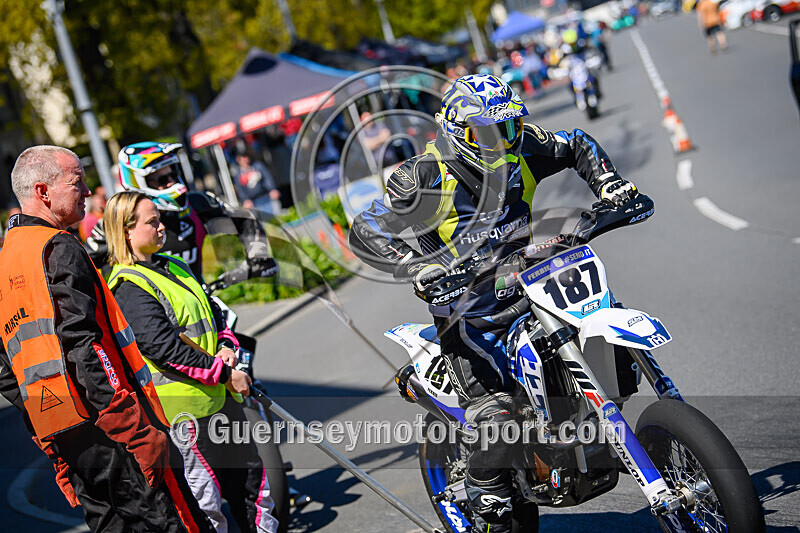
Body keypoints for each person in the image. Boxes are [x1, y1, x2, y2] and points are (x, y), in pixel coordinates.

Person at [348, 75, 640, 533]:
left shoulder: (524, 145)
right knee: (498, 421)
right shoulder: (424, 176)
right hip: (470, 318)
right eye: (487, 133)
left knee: (608, 341)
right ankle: (488, 503)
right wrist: (412, 265)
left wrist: (610, 185)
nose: (502, 142)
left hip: (534, 287)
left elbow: (576, 144)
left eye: (508, 128)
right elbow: (366, 227)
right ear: (457, 133)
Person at [0, 145, 214, 532]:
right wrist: (135, 430)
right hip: (113, 431)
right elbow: (85, 347)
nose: (87, 191)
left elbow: (7, 369)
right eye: (77, 182)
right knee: (172, 521)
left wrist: (50, 439)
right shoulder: (56, 247)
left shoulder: (8, 257)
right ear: (43, 191)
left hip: (66, 433)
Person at [103, 191, 279, 533]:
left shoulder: (175, 266)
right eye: (152, 222)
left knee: (254, 490)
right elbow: (164, 348)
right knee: (208, 509)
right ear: (126, 231)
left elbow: (215, 316)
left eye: (159, 220)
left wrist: (227, 347)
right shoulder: (128, 286)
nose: (161, 227)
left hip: (222, 401)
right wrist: (225, 374)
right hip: (186, 417)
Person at [85, 142, 278, 289]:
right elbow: (82, 265)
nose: (172, 183)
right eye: (162, 179)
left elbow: (244, 220)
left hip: (198, 302)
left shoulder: (197, 203)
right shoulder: (116, 222)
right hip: (151, 315)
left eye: (173, 174)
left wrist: (258, 255)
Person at [232, 151, 281, 215]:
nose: (245, 159)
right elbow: (240, 189)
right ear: (238, 160)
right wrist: (245, 200)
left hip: (267, 197)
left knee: (276, 215)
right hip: (253, 203)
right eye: (243, 157)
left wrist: (272, 189)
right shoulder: (238, 175)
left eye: (246, 157)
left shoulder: (258, 166)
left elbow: (267, 178)